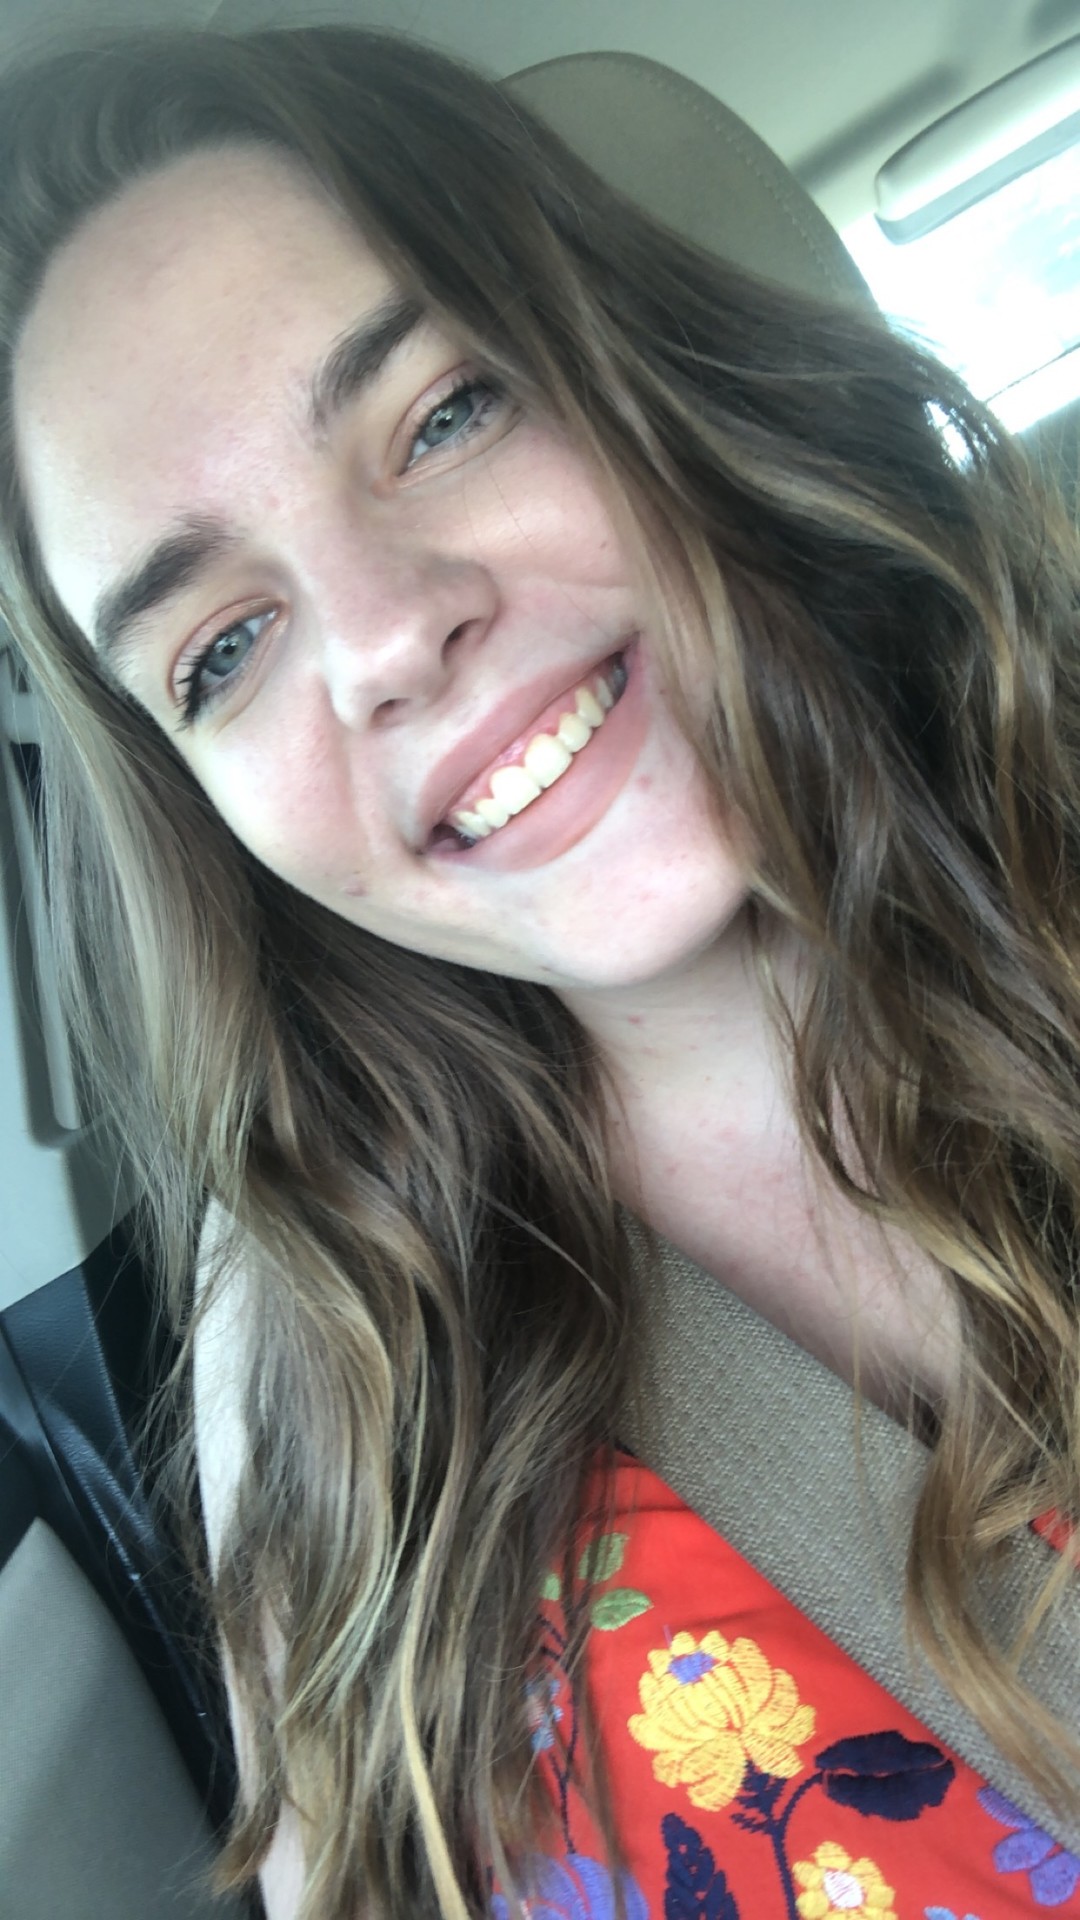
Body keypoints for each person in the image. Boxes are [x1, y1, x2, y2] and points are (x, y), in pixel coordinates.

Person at [1, 20, 1079, 1920]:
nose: (385, 639)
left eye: (443, 416)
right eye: (222, 649)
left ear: (628, 356)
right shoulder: (324, 1358)